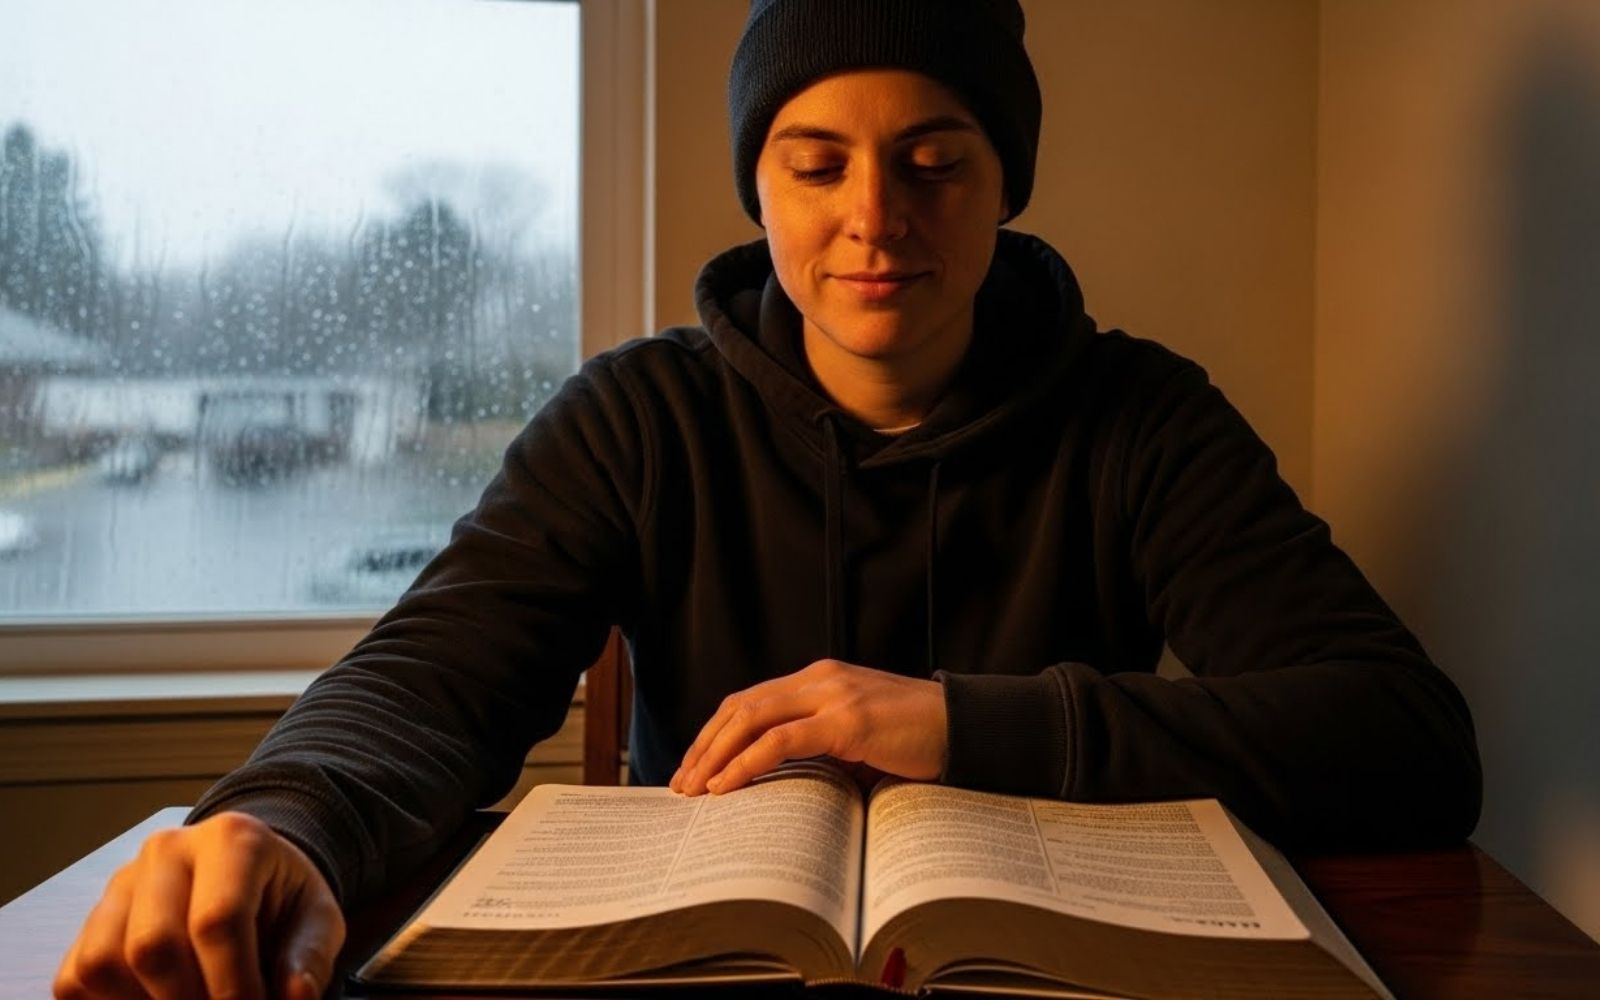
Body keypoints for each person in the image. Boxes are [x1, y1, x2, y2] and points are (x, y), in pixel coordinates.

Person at [53, 2, 1482, 997]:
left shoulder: (1141, 418)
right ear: (760, 188)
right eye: (817, 164)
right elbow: (436, 673)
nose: (876, 218)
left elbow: (1403, 737)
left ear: (1005, 189)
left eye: (935, 163)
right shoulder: (637, 414)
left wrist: (956, 719)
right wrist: (283, 819)